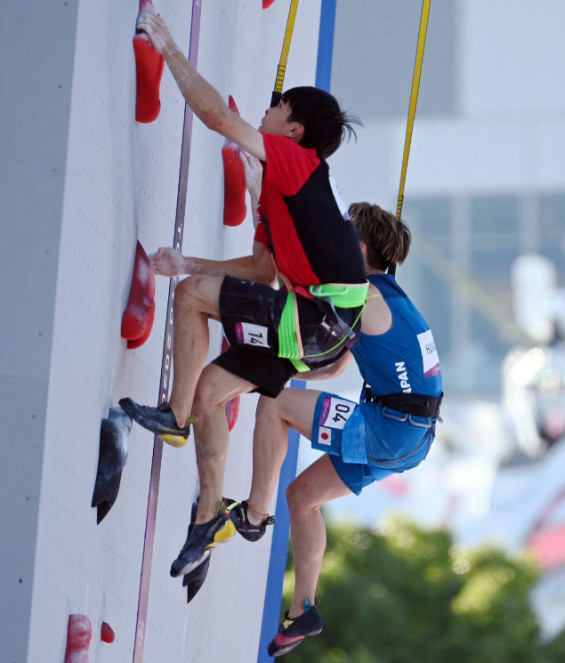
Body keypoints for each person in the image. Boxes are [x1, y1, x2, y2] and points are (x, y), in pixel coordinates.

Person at [119, 10, 369, 580]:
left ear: (294, 128)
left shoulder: (295, 162)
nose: (266, 111)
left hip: (315, 322)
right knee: (211, 385)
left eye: (276, 109)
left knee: (191, 298)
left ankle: (175, 417)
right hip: (316, 328)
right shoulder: (280, 192)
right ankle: (207, 515)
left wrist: (168, 46)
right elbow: (261, 269)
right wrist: (192, 261)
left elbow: (215, 116)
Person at [226, 202, 443, 657]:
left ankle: (252, 514)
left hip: (388, 427)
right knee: (303, 497)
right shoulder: (385, 300)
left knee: (275, 405)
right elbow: (329, 369)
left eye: (342, 234)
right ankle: (303, 609)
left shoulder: (365, 294)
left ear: (359, 249)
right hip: (410, 437)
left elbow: (298, 283)